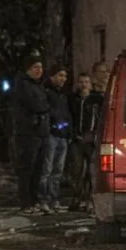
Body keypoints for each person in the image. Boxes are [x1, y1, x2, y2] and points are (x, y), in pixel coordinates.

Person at [11, 53, 51, 215]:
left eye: (40, 67)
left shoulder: (38, 85)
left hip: (41, 132)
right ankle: (26, 203)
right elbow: (37, 105)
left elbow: (46, 104)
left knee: (38, 169)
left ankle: (34, 201)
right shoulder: (23, 85)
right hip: (28, 133)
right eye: (35, 67)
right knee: (27, 168)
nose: (39, 70)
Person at [41, 66, 73, 213]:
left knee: (58, 170)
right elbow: (49, 112)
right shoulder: (47, 92)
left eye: (65, 76)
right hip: (52, 134)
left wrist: (67, 130)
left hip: (62, 136)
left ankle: (53, 199)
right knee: (47, 169)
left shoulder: (62, 95)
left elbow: (66, 114)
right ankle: (44, 200)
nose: (63, 79)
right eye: (60, 75)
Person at [68, 72, 101, 211]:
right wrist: (73, 134)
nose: (84, 85)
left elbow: (101, 118)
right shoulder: (72, 99)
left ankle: (90, 200)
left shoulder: (97, 99)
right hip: (76, 140)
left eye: (86, 82)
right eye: (81, 82)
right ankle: (77, 197)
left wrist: (94, 134)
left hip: (92, 141)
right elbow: (68, 118)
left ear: (90, 83)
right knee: (76, 170)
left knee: (91, 171)